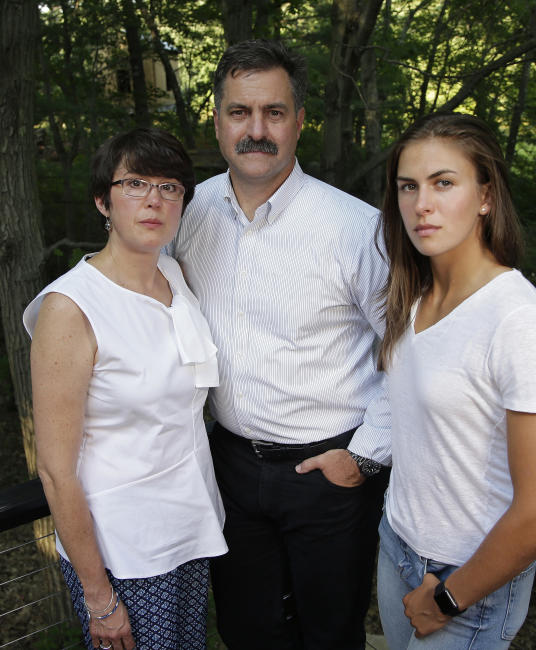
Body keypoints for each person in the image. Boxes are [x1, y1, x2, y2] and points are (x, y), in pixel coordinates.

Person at [167, 39, 390, 650]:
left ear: (298, 121)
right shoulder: (189, 212)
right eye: (240, 112)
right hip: (230, 467)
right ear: (216, 122)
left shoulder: (356, 228)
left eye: (274, 112)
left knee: (328, 635)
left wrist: (366, 455)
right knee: (246, 631)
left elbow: (411, 347)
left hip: (328, 473)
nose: (256, 129)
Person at [23, 127, 227, 650]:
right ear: (102, 200)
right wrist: (99, 596)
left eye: (170, 186)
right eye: (135, 183)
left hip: (188, 525)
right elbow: (54, 470)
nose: (154, 200)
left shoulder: (173, 273)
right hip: (124, 551)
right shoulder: (70, 308)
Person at [375, 112, 536, 649]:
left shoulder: (520, 322)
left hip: (468, 578)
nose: (422, 205)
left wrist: (448, 598)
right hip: (398, 546)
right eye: (408, 187)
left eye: (444, 183)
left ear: (486, 196)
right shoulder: (414, 296)